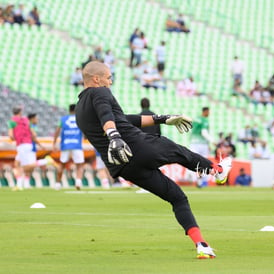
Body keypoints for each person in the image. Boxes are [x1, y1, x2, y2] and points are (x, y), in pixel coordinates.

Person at [76, 61, 232, 258]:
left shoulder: (80, 109)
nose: (111, 81)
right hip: (136, 147)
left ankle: (201, 244)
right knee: (178, 150)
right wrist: (114, 136)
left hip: (123, 167)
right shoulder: (100, 92)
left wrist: (162, 118)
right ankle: (217, 171)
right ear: (96, 79)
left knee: (177, 197)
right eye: (108, 77)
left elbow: (125, 119)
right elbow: (107, 115)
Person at [8, 107, 55, 190]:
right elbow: (33, 135)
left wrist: (17, 137)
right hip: (29, 144)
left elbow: (11, 136)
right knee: (17, 164)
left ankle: (46, 161)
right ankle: (22, 184)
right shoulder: (26, 121)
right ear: (21, 112)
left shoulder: (12, 121)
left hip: (22, 145)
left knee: (26, 166)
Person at [53, 104, 85, 190]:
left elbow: (57, 131)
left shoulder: (63, 119)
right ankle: (78, 182)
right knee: (79, 165)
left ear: (69, 110)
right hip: (76, 144)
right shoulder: (80, 119)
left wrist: (54, 143)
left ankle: (58, 184)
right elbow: (84, 130)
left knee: (62, 164)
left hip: (65, 144)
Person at [190, 107, 214, 187]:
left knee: (195, 162)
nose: (209, 113)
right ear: (205, 111)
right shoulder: (204, 120)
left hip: (193, 143)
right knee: (203, 162)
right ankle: (201, 180)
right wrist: (212, 141)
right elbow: (204, 133)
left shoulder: (196, 119)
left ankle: (197, 179)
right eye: (209, 112)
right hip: (202, 144)